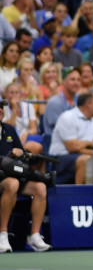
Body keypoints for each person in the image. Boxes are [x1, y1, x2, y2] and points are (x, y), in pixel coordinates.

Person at [0, 107, 51, 253]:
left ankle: (34, 235)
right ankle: (2, 235)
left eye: (2, 108)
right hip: (4, 178)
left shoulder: (9, 129)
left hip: (12, 172)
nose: (0, 111)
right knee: (13, 183)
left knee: (40, 187)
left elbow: (22, 151)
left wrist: (20, 152)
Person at [48, 92, 93, 185]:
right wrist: (89, 143)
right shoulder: (67, 117)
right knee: (86, 160)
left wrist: (85, 146)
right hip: (61, 158)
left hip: (83, 153)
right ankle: (79, 194)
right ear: (88, 104)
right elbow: (72, 147)